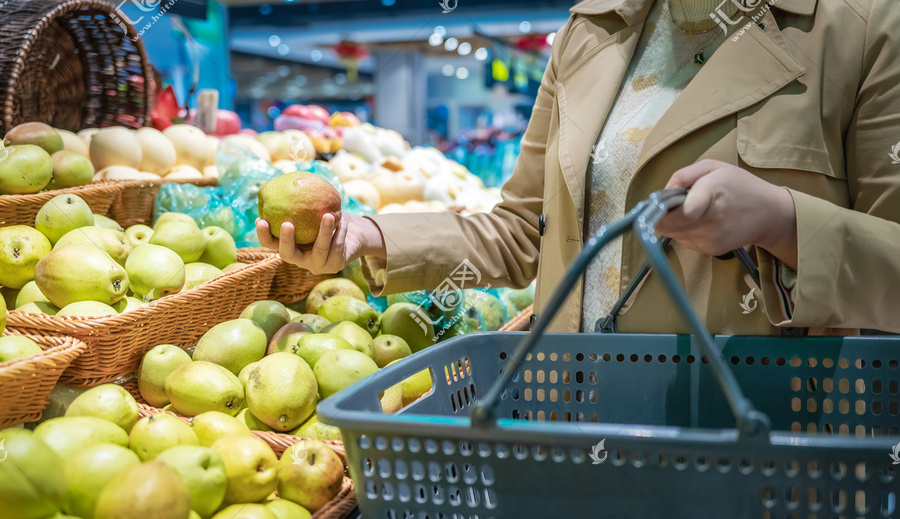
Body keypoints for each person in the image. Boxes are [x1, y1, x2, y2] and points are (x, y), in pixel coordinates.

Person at [258, 0, 900, 336]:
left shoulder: (861, 27)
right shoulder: (591, 30)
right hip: (575, 421)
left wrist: (779, 219)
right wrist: (369, 238)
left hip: (749, 440)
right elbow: (522, 232)